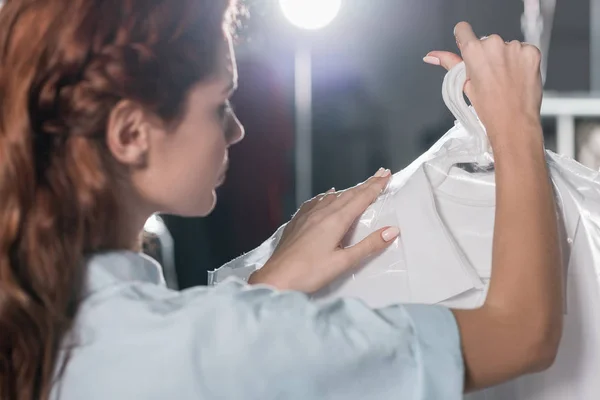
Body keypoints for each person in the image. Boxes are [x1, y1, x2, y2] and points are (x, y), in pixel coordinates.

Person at [0, 0, 561, 399]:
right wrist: (513, 124)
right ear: (130, 134)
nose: (238, 130)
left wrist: (265, 289)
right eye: (220, 104)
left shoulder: (45, 321)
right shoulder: (208, 346)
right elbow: (521, 333)